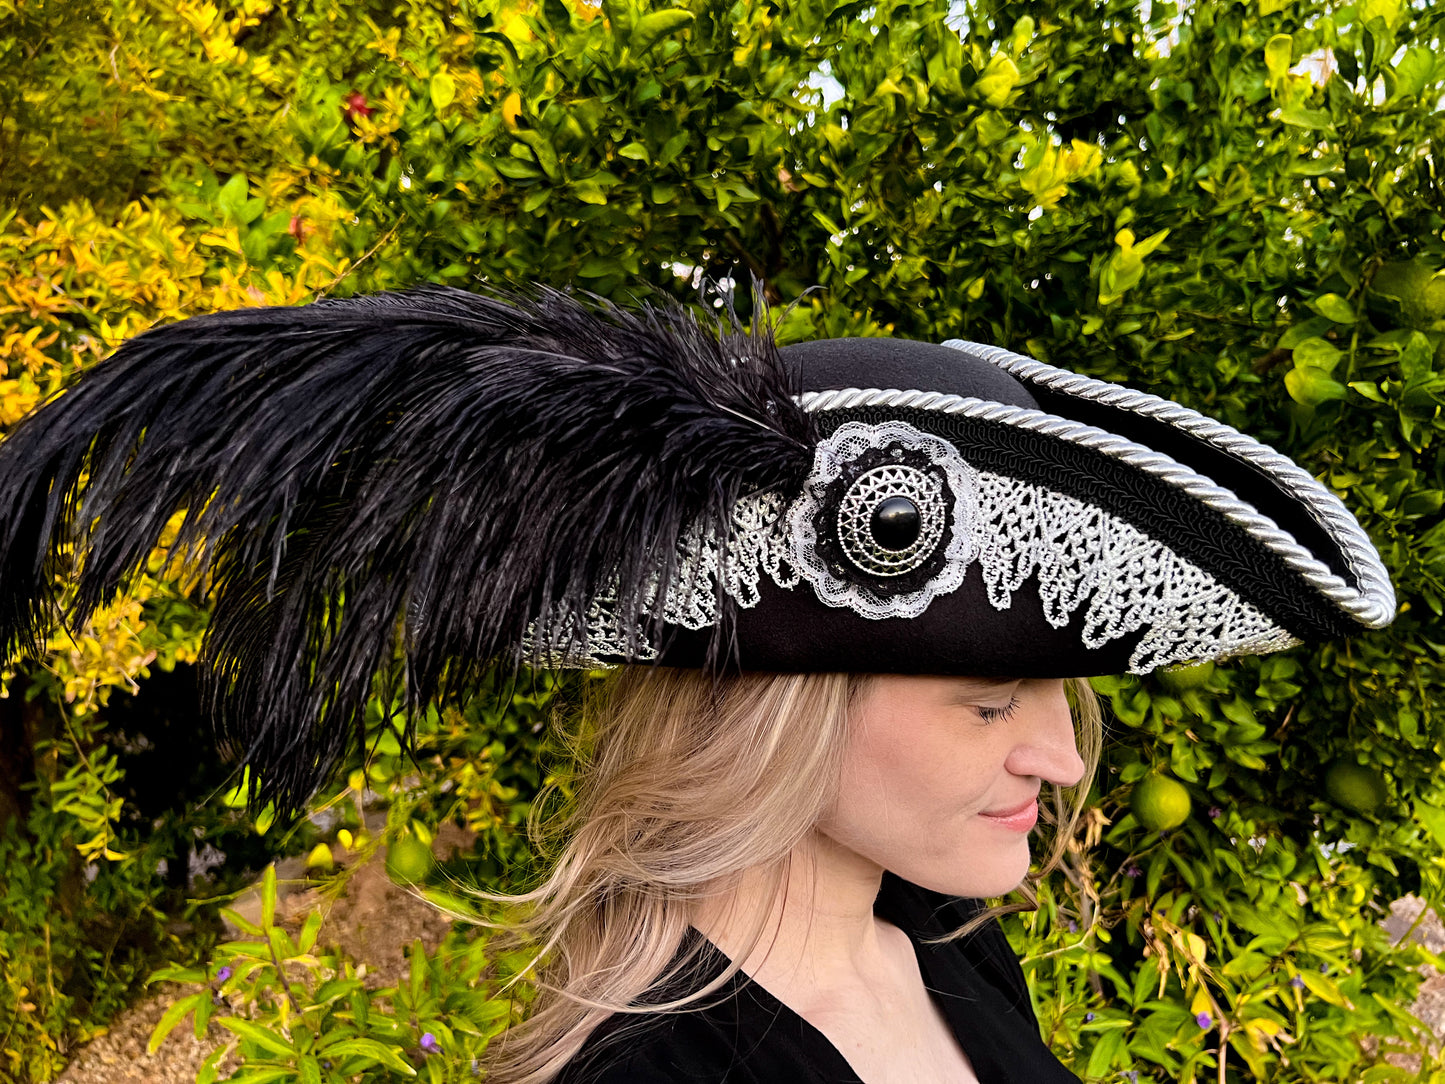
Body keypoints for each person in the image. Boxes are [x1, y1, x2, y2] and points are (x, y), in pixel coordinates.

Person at [0, 285, 1394, 1083]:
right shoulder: (656, 1079)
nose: (1063, 757)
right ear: (777, 707)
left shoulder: (955, 952)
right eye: (988, 701)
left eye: (1055, 697)